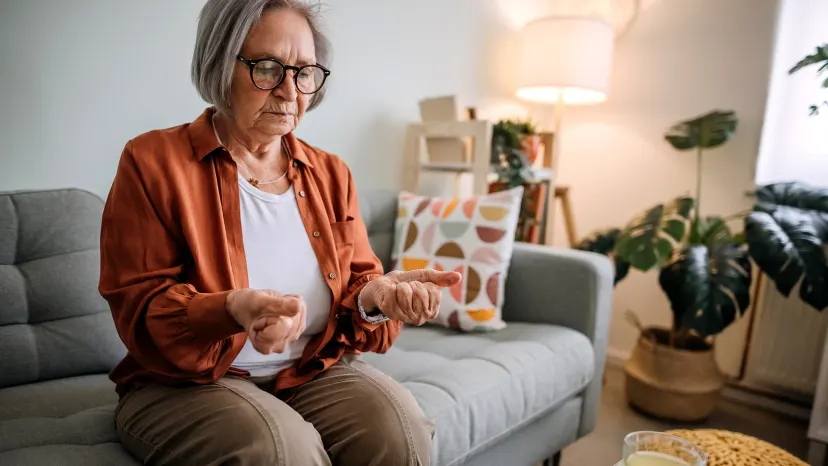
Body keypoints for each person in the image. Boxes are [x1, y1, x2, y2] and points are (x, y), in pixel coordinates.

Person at [98, 1, 461, 464]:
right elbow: (141, 307)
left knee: (400, 429)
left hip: (310, 371)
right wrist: (232, 309)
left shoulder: (332, 174)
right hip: (185, 383)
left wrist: (378, 298)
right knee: (278, 447)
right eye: (268, 68)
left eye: (305, 71)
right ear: (220, 64)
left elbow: (358, 287)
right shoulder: (152, 161)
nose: (290, 91)